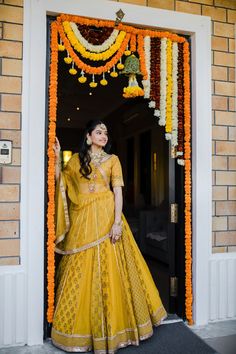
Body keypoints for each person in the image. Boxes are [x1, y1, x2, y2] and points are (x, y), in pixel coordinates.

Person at [51, 119, 167, 353]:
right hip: (83, 220)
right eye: (98, 132)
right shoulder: (76, 160)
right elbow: (62, 183)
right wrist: (56, 159)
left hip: (106, 218)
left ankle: (118, 328)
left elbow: (118, 193)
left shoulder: (113, 160)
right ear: (88, 136)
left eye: (105, 132)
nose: (103, 135)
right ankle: (84, 332)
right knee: (80, 269)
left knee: (114, 269)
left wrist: (117, 223)